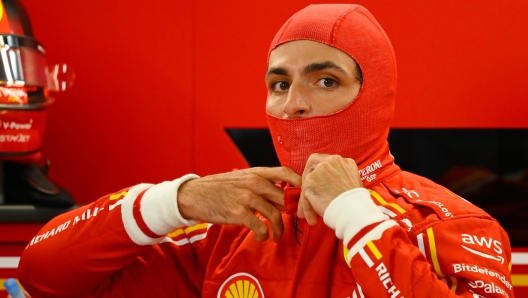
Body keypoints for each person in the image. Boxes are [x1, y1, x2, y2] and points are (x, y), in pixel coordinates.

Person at [18, 4, 513, 297]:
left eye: (324, 79)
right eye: (279, 84)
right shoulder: (233, 227)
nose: (294, 104)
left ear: (375, 96)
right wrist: (177, 200)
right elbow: (42, 275)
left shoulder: (451, 227)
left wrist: (354, 215)